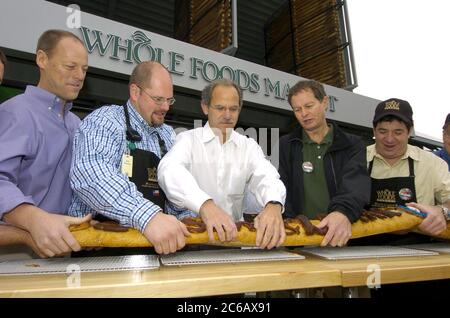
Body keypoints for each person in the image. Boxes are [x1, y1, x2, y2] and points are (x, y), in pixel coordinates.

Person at [69, 61, 190, 255]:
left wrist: (191, 216)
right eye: (159, 99)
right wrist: (148, 217)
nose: (166, 107)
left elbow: (177, 192)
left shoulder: (167, 135)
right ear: (135, 92)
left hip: (155, 250)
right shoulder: (105, 121)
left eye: (170, 100)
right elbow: (91, 175)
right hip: (102, 250)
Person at [158, 79, 286, 249]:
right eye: (220, 108)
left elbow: (267, 176)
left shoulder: (248, 146)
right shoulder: (188, 140)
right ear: (205, 107)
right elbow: (169, 170)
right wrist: (205, 205)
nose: (227, 115)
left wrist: (273, 204)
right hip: (193, 240)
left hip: (234, 241)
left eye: (233, 109)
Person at [0, 30, 90, 259]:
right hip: (15, 253)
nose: (79, 75)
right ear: (42, 59)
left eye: (84, 69)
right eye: (70, 66)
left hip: (64, 248)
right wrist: (34, 219)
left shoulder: (76, 124)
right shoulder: (15, 113)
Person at [278, 80, 370, 247]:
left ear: (324, 102)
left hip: (341, 235)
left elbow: (356, 185)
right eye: (297, 110)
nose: (304, 113)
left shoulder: (351, 144)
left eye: (309, 106)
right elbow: (280, 188)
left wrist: (342, 212)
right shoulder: (286, 145)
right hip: (299, 239)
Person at [367, 98, 449, 239]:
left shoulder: (432, 163)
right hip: (361, 249)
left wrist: (442, 210)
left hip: (418, 248)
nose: (390, 139)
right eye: (383, 131)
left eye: (398, 132)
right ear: (374, 130)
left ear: (409, 131)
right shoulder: (357, 159)